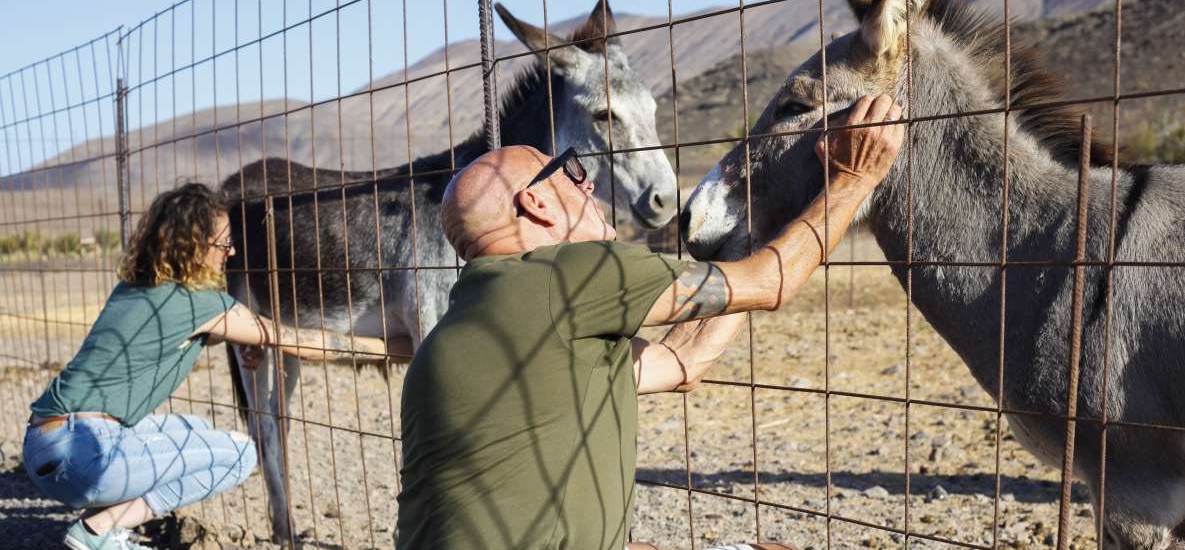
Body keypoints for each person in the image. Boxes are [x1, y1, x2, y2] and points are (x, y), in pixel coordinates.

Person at [395, 94, 905, 549]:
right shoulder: (570, 274)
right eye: (569, 172)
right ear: (535, 203)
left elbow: (682, 361)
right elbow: (770, 283)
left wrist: (756, 227)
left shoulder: (466, 330)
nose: (588, 181)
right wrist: (854, 177)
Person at [21, 182, 386, 550]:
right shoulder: (201, 304)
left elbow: (193, 334)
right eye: (224, 243)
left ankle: (102, 525)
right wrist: (385, 346)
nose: (233, 251)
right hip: (85, 458)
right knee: (240, 454)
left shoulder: (135, 287)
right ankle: (97, 531)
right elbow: (293, 340)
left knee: (195, 428)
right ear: (195, 246)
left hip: (45, 445)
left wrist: (243, 338)